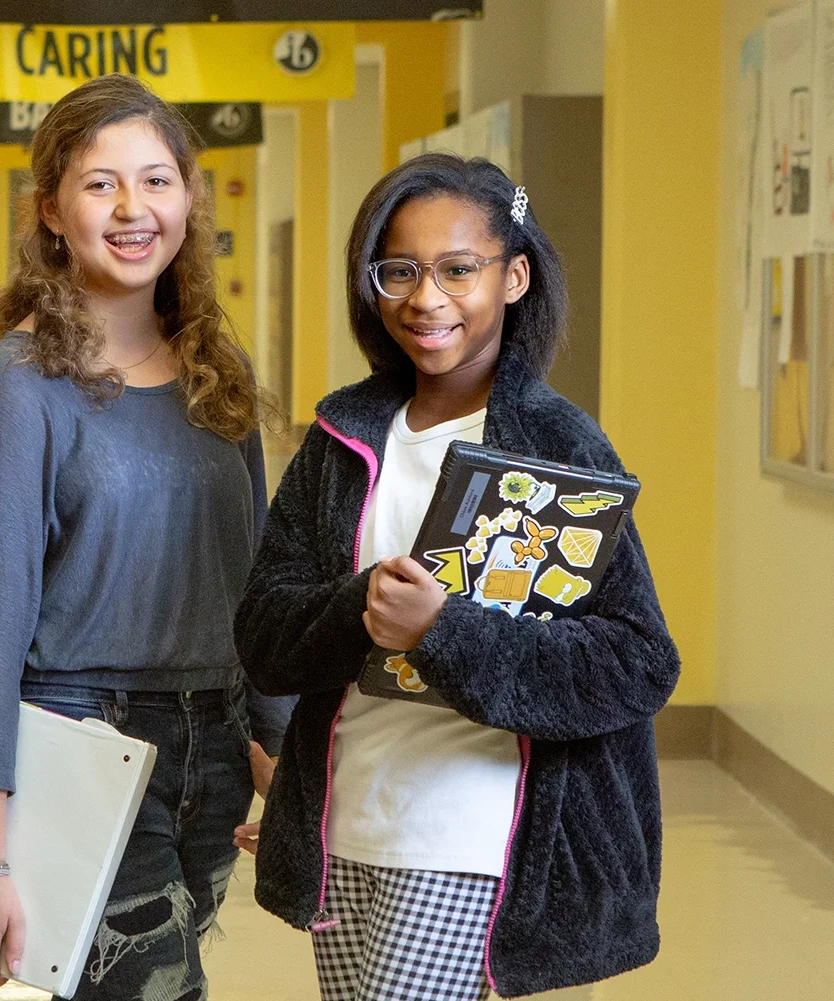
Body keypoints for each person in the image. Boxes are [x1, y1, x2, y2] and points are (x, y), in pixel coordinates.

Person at [235, 154, 681, 1000]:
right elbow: (264, 634)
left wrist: (444, 630)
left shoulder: (558, 447)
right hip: (351, 827)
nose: (425, 298)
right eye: (398, 269)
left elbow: (636, 660)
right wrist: (359, 607)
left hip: (474, 842)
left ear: (513, 277)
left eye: (457, 269)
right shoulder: (343, 435)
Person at [0, 74, 292, 1001]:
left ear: (189, 199)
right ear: (51, 209)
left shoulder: (218, 371)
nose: (133, 208)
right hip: (77, 734)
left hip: (211, 746)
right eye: (100, 184)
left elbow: (253, 578)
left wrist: (277, 744)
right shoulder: (20, 388)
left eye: (158, 180)